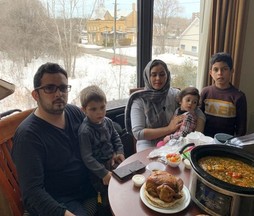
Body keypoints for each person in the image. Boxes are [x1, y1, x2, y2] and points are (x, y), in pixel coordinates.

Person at [12, 63, 98, 216]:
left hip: (88, 186)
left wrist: (112, 152)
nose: (59, 94)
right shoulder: (28, 137)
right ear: (36, 95)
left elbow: (93, 139)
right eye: (50, 88)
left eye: (63, 88)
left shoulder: (73, 112)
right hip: (60, 201)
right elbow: (32, 193)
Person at [125, 59, 205, 152]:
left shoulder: (175, 94)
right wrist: (169, 128)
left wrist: (195, 136)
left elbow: (198, 112)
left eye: (162, 74)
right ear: (147, 76)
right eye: (153, 75)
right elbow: (138, 133)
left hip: (174, 139)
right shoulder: (139, 99)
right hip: (148, 142)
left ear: (167, 75)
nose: (158, 78)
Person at [78, 85, 125, 215]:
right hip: (97, 171)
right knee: (104, 192)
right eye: (93, 109)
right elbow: (87, 158)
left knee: (123, 182)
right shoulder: (85, 131)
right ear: (84, 110)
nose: (99, 112)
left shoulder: (108, 122)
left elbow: (115, 137)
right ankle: (106, 207)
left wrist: (119, 152)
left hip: (112, 161)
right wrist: (103, 173)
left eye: (102, 107)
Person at [200, 52, 247, 137]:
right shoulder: (205, 92)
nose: (220, 73)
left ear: (231, 71)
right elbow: (199, 117)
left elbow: (241, 127)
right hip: (205, 140)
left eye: (224, 69)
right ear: (211, 73)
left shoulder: (239, 96)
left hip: (227, 142)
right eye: (216, 69)